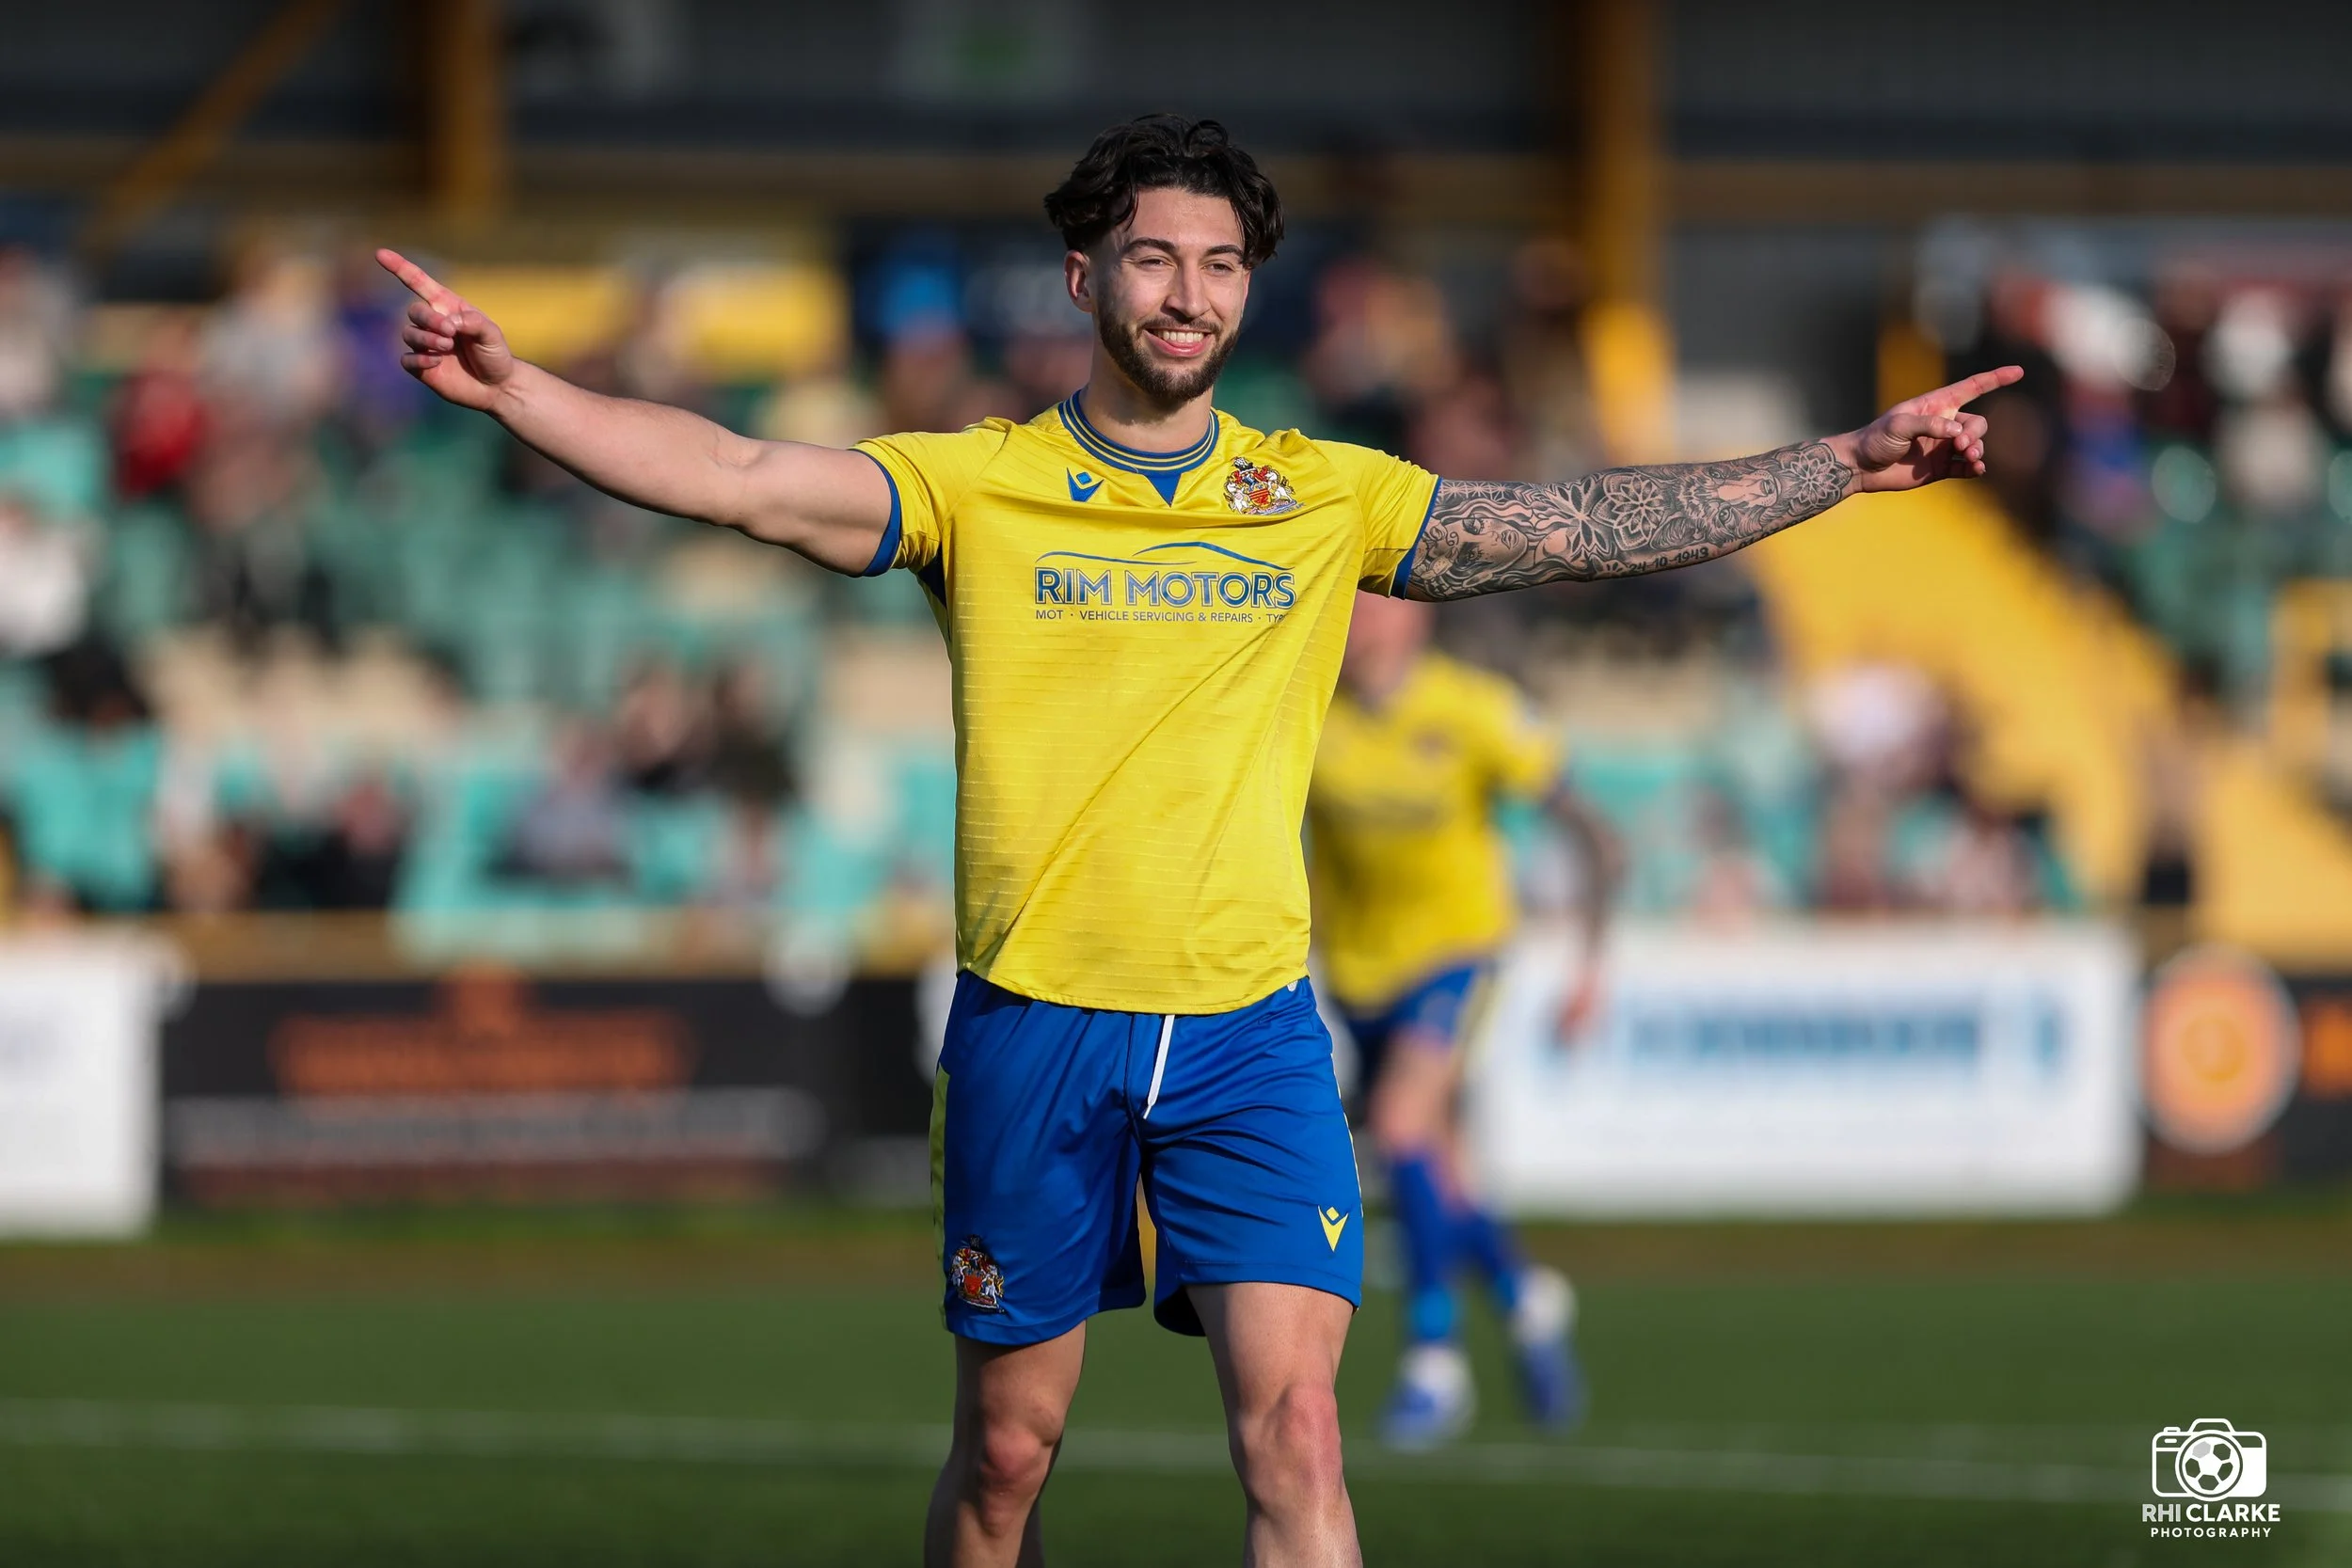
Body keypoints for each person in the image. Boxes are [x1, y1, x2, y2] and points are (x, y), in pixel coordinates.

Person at [379, 113, 2015, 1568]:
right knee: (1011, 1458)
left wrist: (1848, 463)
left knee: (1297, 1434)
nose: (1187, 294)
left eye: (1220, 265)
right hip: (1037, 1023)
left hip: (1252, 1033)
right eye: (1153, 259)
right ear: (1082, 277)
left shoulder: (1322, 494)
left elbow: (1576, 527)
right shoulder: (980, 483)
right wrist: (515, 385)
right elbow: (736, 471)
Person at [1307, 590, 1613, 1447]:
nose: (1360, 621)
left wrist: (1592, 966)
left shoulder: (1472, 708)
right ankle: (1525, 1303)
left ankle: (1433, 1364)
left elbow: (1588, 827)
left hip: (1457, 956)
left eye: (1376, 603)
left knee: (1402, 1131)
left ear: (1415, 616)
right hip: (1358, 973)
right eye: (1351, 603)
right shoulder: (1308, 708)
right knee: (1437, 1170)